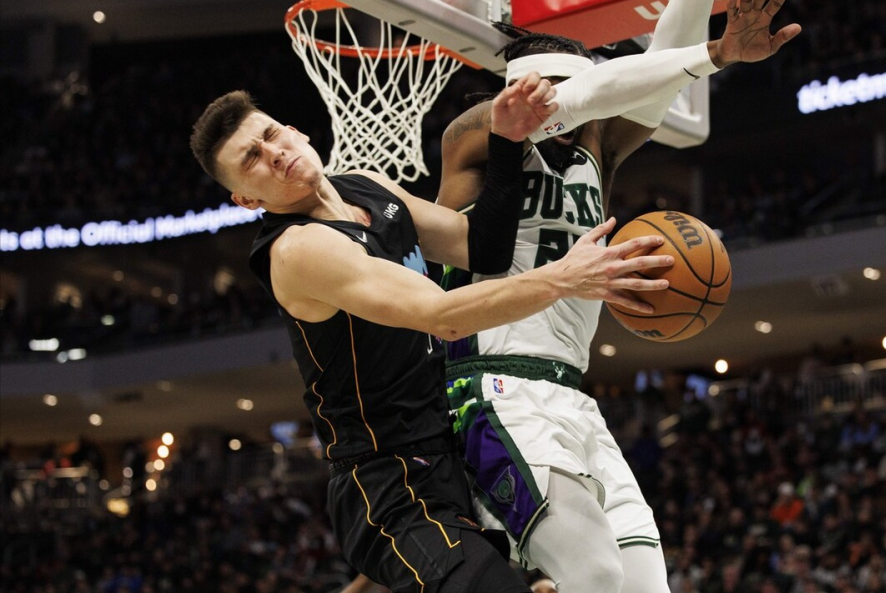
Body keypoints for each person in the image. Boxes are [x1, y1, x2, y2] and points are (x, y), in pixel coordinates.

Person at [189, 74, 674, 592]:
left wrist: (505, 141)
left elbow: (479, 247)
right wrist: (562, 278)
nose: (274, 153)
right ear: (246, 199)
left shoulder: (365, 186)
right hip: (387, 480)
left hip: (451, 452)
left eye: (270, 136)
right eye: (252, 159)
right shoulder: (298, 249)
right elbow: (444, 316)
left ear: (294, 131)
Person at [436, 0, 802, 592]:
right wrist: (715, 54)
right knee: (596, 575)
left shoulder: (597, 150)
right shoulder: (472, 137)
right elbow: (587, 97)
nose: (581, 116)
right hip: (494, 391)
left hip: (574, 398)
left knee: (644, 582)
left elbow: (658, 72)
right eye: (561, 94)